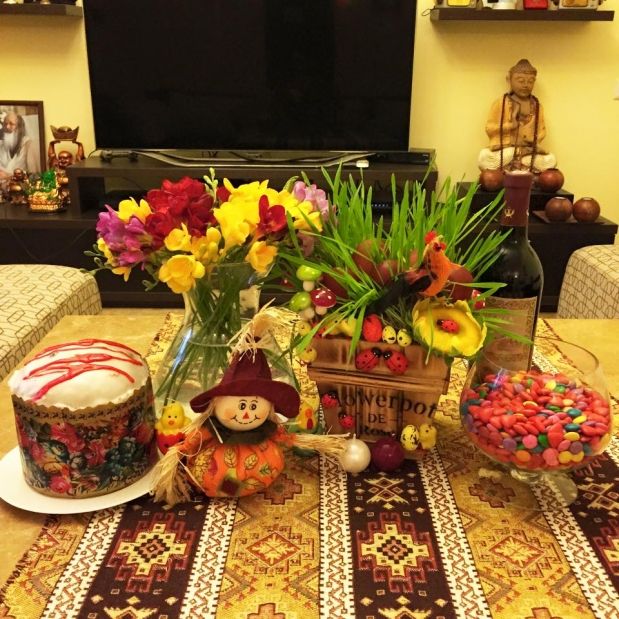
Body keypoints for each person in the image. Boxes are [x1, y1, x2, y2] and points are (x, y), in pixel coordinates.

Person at [478, 59, 557, 173]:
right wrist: (510, 126)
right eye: (520, 81)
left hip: (528, 151)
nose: (525, 85)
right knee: (484, 157)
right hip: (507, 150)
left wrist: (531, 140)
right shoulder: (501, 103)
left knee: (550, 160)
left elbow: (542, 131)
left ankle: (518, 167)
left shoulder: (537, 106)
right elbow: (489, 128)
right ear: (509, 80)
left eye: (530, 82)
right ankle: (521, 169)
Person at [0, 111, 40, 180]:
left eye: (11, 124)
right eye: (5, 124)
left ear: (19, 128)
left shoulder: (28, 145)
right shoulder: (1, 145)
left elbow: (34, 176)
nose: (7, 127)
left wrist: (8, 176)